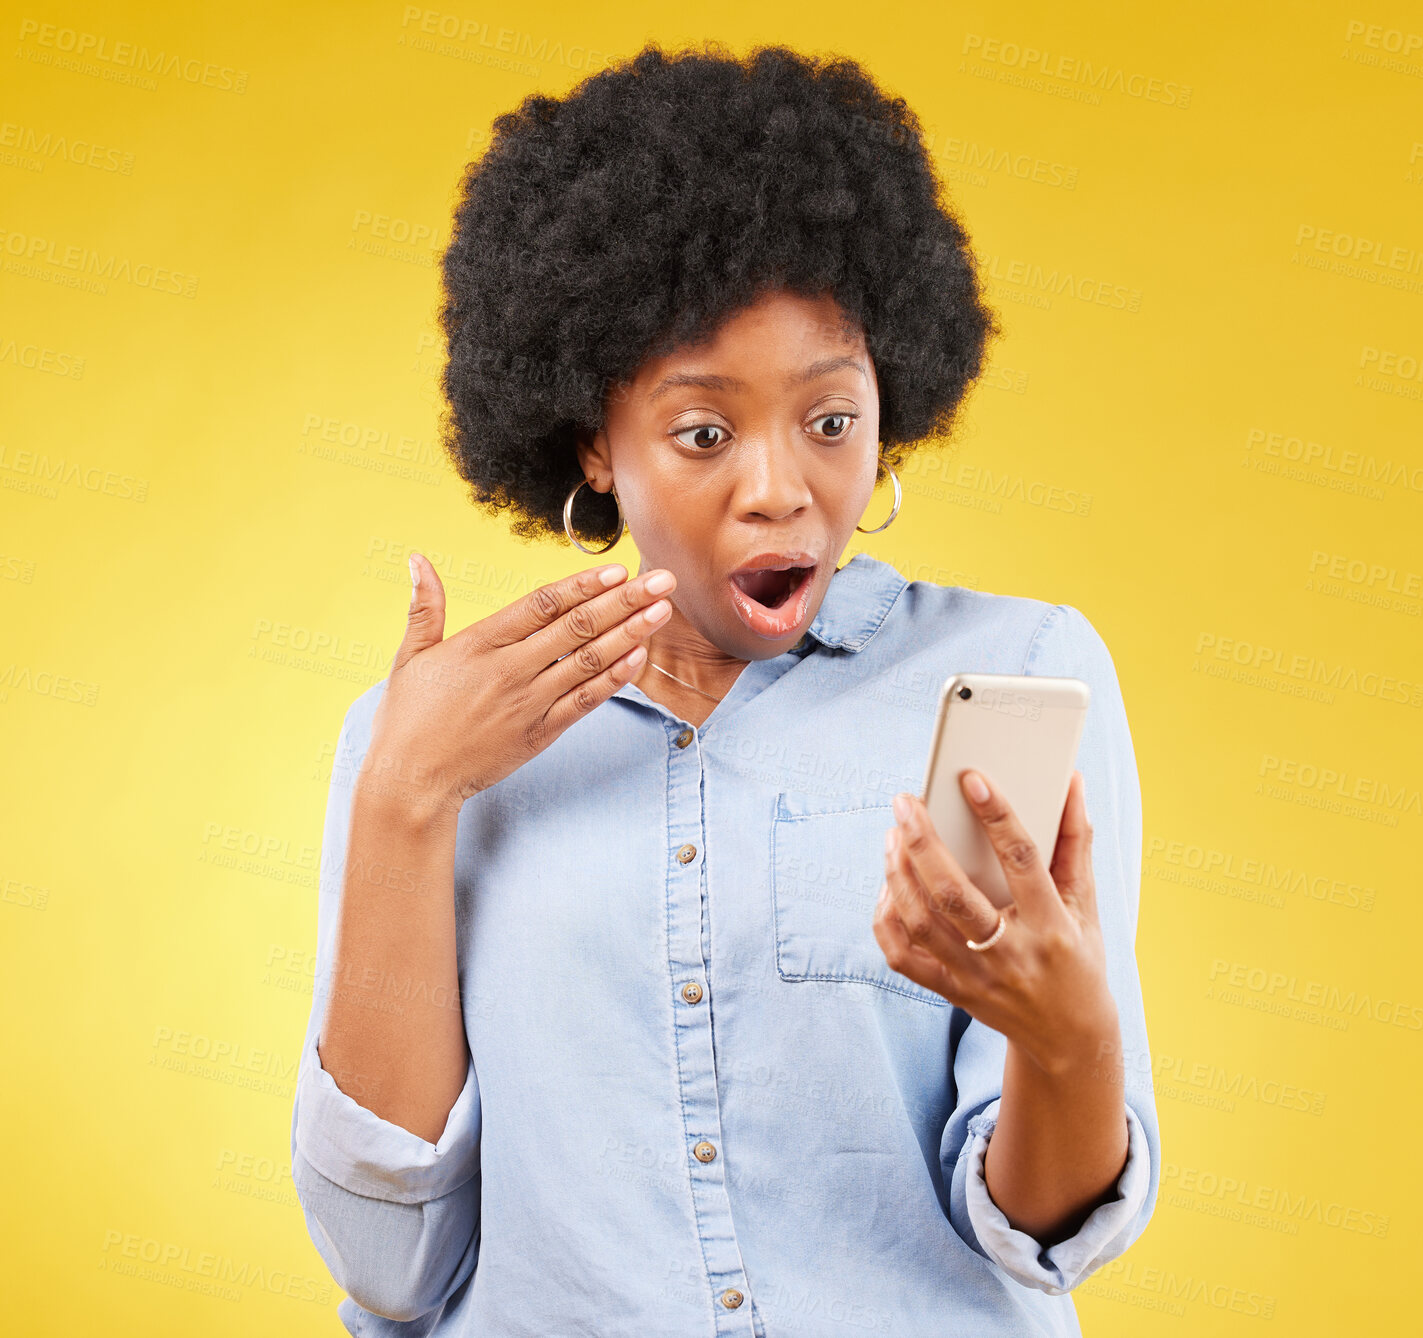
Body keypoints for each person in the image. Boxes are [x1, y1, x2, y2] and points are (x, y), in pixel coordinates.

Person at [291, 40, 1159, 1336]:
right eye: (705, 431)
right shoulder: (429, 741)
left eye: (830, 419)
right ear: (597, 435)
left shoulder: (1011, 681)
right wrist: (405, 795)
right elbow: (388, 1266)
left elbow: (1034, 1231)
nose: (779, 485)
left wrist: (1070, 1038)